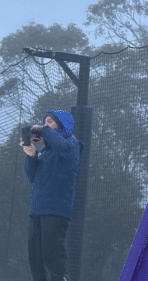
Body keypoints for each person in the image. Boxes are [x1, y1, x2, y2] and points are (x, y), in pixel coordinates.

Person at [20, 110, 83, 281]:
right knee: (35, 257)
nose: (45, 125)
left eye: (50, 122)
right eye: (44, 122)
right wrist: (32, 155)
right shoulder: (44, 152)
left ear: (62, 124)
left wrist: (41, 129)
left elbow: (61, 145)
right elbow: (31, 176)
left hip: (56, 209)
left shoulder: (72, 144)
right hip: (36, 210)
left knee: (51, 254)